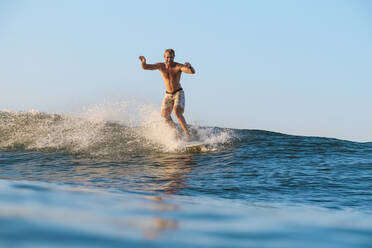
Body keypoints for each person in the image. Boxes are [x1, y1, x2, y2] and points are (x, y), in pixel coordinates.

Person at [139, 49, 195, 141]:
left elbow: (191, 72)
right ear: (164, 57)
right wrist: (143, 62)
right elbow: (146, 67)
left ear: (174, 57)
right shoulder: (161, 66)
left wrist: (190, 67)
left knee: (177, 112)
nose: (169, 59)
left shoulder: (178, 66)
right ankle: (176, 133)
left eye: (171, 57)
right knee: (165, 116)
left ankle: (188, 135)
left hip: (178, 93)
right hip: (168, 95)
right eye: (167, 57)